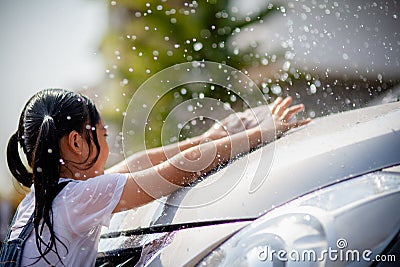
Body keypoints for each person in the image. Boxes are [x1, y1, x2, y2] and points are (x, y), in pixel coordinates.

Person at [1, 88, 310, 266]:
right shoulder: (77, 198)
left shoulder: (40, 202)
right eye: (104, 135)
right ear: (76, 143)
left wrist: (209, 137)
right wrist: (263, 134)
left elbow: (135, 165)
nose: (109, 147)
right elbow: (176, 169)